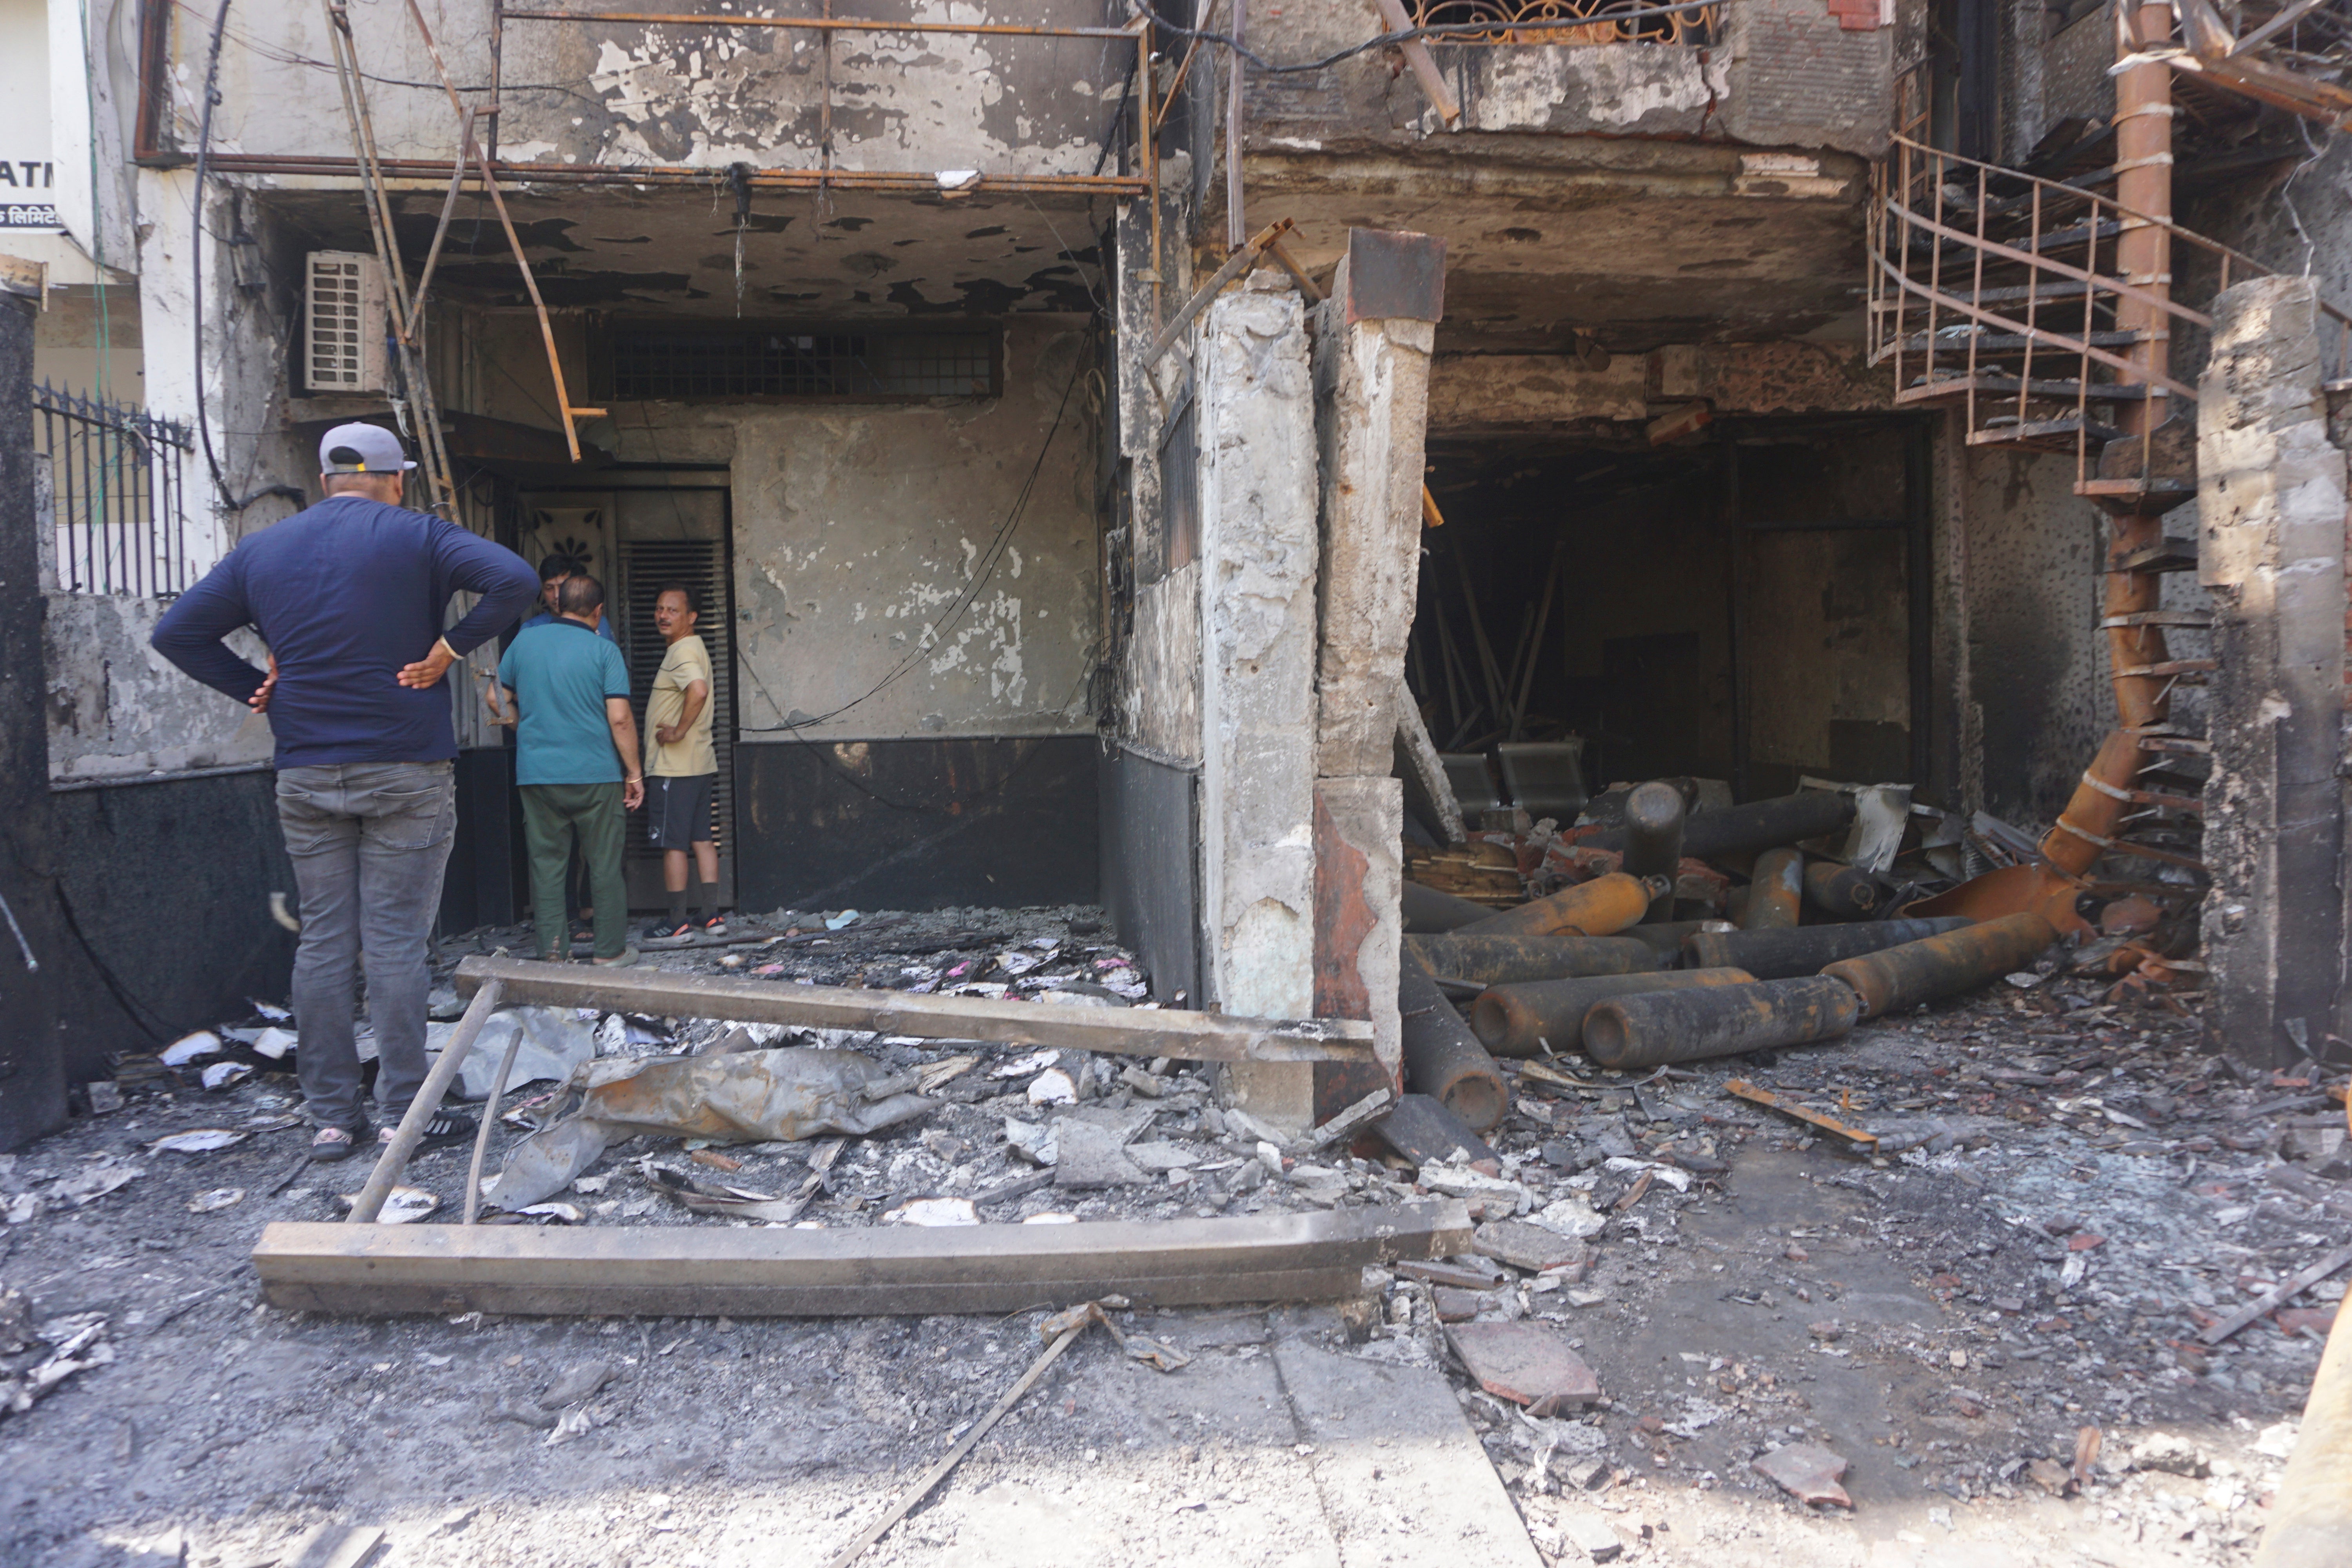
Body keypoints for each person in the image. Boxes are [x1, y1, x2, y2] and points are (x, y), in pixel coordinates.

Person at [151, 423, 539, 1162]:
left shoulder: (263, 550)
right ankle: (402, 1114)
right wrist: (449, 649)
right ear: (397, 480)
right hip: (405, 770)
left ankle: (331, 1117)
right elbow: (516, 582)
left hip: (305, 773)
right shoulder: (418, 534)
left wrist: (256, 691)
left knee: (325, 943)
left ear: (325, 480)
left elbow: (178, 633)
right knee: (394, 945)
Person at [492, 573, 645, 968]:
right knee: (604, 865)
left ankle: (554, 953)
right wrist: (634, 773)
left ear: (557, 604)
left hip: (538, 773)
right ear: (598, 611)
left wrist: (523, 726)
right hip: (597, 774)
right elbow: (621, 719)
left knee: (546, 866)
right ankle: (609, 953)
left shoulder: (524, 642)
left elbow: (496, 698)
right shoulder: (604, 651)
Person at [641, 583, 724, 944]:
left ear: (691, 617)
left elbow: (698, 690)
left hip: (675, 768)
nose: (663, 615)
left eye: (673, 610)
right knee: (702, 839)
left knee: (673, 844)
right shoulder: (694, 647)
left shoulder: (681, 651)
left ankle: (676, 922)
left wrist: (678, 731)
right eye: (660, 609)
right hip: (701, 764)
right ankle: (711, 915)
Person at [519, 553, 620, 644]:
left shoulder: (600, 623)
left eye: (563, 587)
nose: (557, 595)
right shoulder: (531, 629)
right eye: (549, 589)